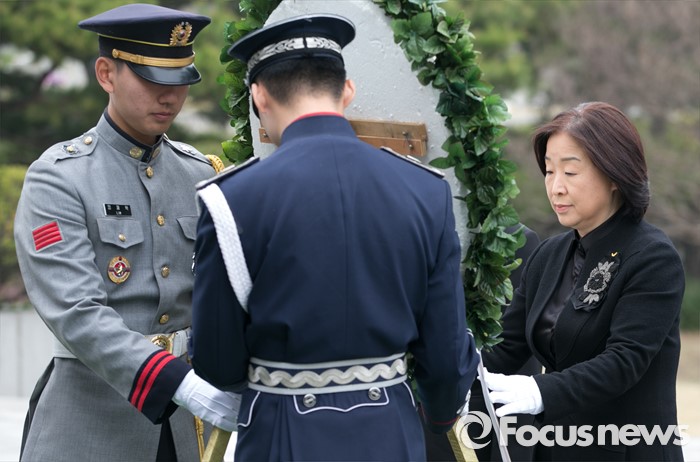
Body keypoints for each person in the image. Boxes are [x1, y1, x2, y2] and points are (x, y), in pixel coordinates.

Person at [189, 13, 479, 461]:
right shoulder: (425, 191)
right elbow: (445, 356)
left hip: (280, 435)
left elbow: (217, 360)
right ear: (347, 90)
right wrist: (440, 418)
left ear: (259, 95)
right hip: (390, 435)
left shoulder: (230, 199)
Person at [14, 4, 239, 462]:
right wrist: (177, 383)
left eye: (180, 81)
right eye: (152, 80)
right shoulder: (59, 178)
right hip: (90, 426)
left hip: (183, 432)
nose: (169, 97)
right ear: (106, 74)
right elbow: (75, 310)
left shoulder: (201, 174)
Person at [479, 102, 685, 461]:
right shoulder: (548, 255)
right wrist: (439, 363)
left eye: (570, 172)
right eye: (548, 171)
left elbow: (624, 361)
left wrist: (539, 391)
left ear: (615, 175)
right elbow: (505, 349)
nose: (556, 187)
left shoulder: (653, 257)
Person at [424, 224, 541, 462]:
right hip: (415, 409)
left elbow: (515, 349)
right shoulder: (414, 233)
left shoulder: (515, 239)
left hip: (480, 414)